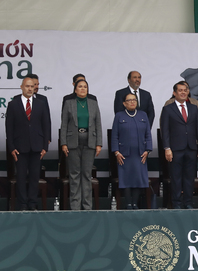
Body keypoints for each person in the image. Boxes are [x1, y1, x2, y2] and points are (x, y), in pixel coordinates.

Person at [5, 77, 51, 210]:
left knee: (34, 176)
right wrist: (12, 147)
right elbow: (9, 127)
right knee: (20, 177)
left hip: (37, 146)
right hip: (20, 147)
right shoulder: (13, 104)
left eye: (32, 86)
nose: (30, 89)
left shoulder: (40, 104)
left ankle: (32, 203)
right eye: (27, 86)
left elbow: (46, 125)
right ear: (21, 87)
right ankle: (23, 204)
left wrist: (45, 147)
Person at [160, 81, 198, 209]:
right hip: (175, 149)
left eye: (185, 90)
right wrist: (167, 148)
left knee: (189, 178)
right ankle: (177, 203)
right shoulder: (168, 109)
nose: (183, 92)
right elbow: (165, 131)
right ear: (174, 93)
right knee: (176, 178)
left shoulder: (193, 108)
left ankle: (188, 203)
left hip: (191, 148)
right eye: (180, 90)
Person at [60, 79, 102, 210]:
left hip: (90, 141)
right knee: (74, 174)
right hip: (73, 142)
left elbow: (98, 124)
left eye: (85, 87)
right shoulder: (69, 103)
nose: (83, 89)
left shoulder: (93, 103)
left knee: (86, 174)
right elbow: (64, 124)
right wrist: (64, 143)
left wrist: (99, 143)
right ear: (75, 89)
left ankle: (87, 206)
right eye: (80, 86)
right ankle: (75, 206)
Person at [111, 93, 153, 210]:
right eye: (129, 100)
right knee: (126, 179)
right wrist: (116, 152)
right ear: (124, 103)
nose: (132, 102)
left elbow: (148, 135)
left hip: (140, 154)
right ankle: (128, 204)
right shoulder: (119, 116)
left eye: (134, 100)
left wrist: (148, 150)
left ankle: (135, 203)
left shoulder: (143, 115)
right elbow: (115, 135)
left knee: (138, 179)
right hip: (124, 155)